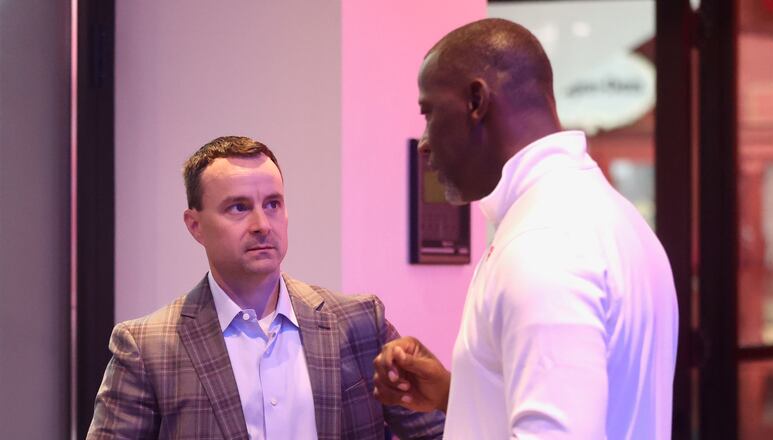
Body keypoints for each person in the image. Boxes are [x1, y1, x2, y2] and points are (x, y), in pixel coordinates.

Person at [373, 18, 678, 439]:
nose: (424, 141)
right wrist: (457, 393)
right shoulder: (613, 217)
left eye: (429, 112)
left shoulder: (543, 242)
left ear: (475, 101)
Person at [88, 136, 444, 439]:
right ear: (195, 225)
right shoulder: (147, 349)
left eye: (272, 204)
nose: (262, 224)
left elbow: (443, 432)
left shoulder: (360, 323)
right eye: (238, 208)